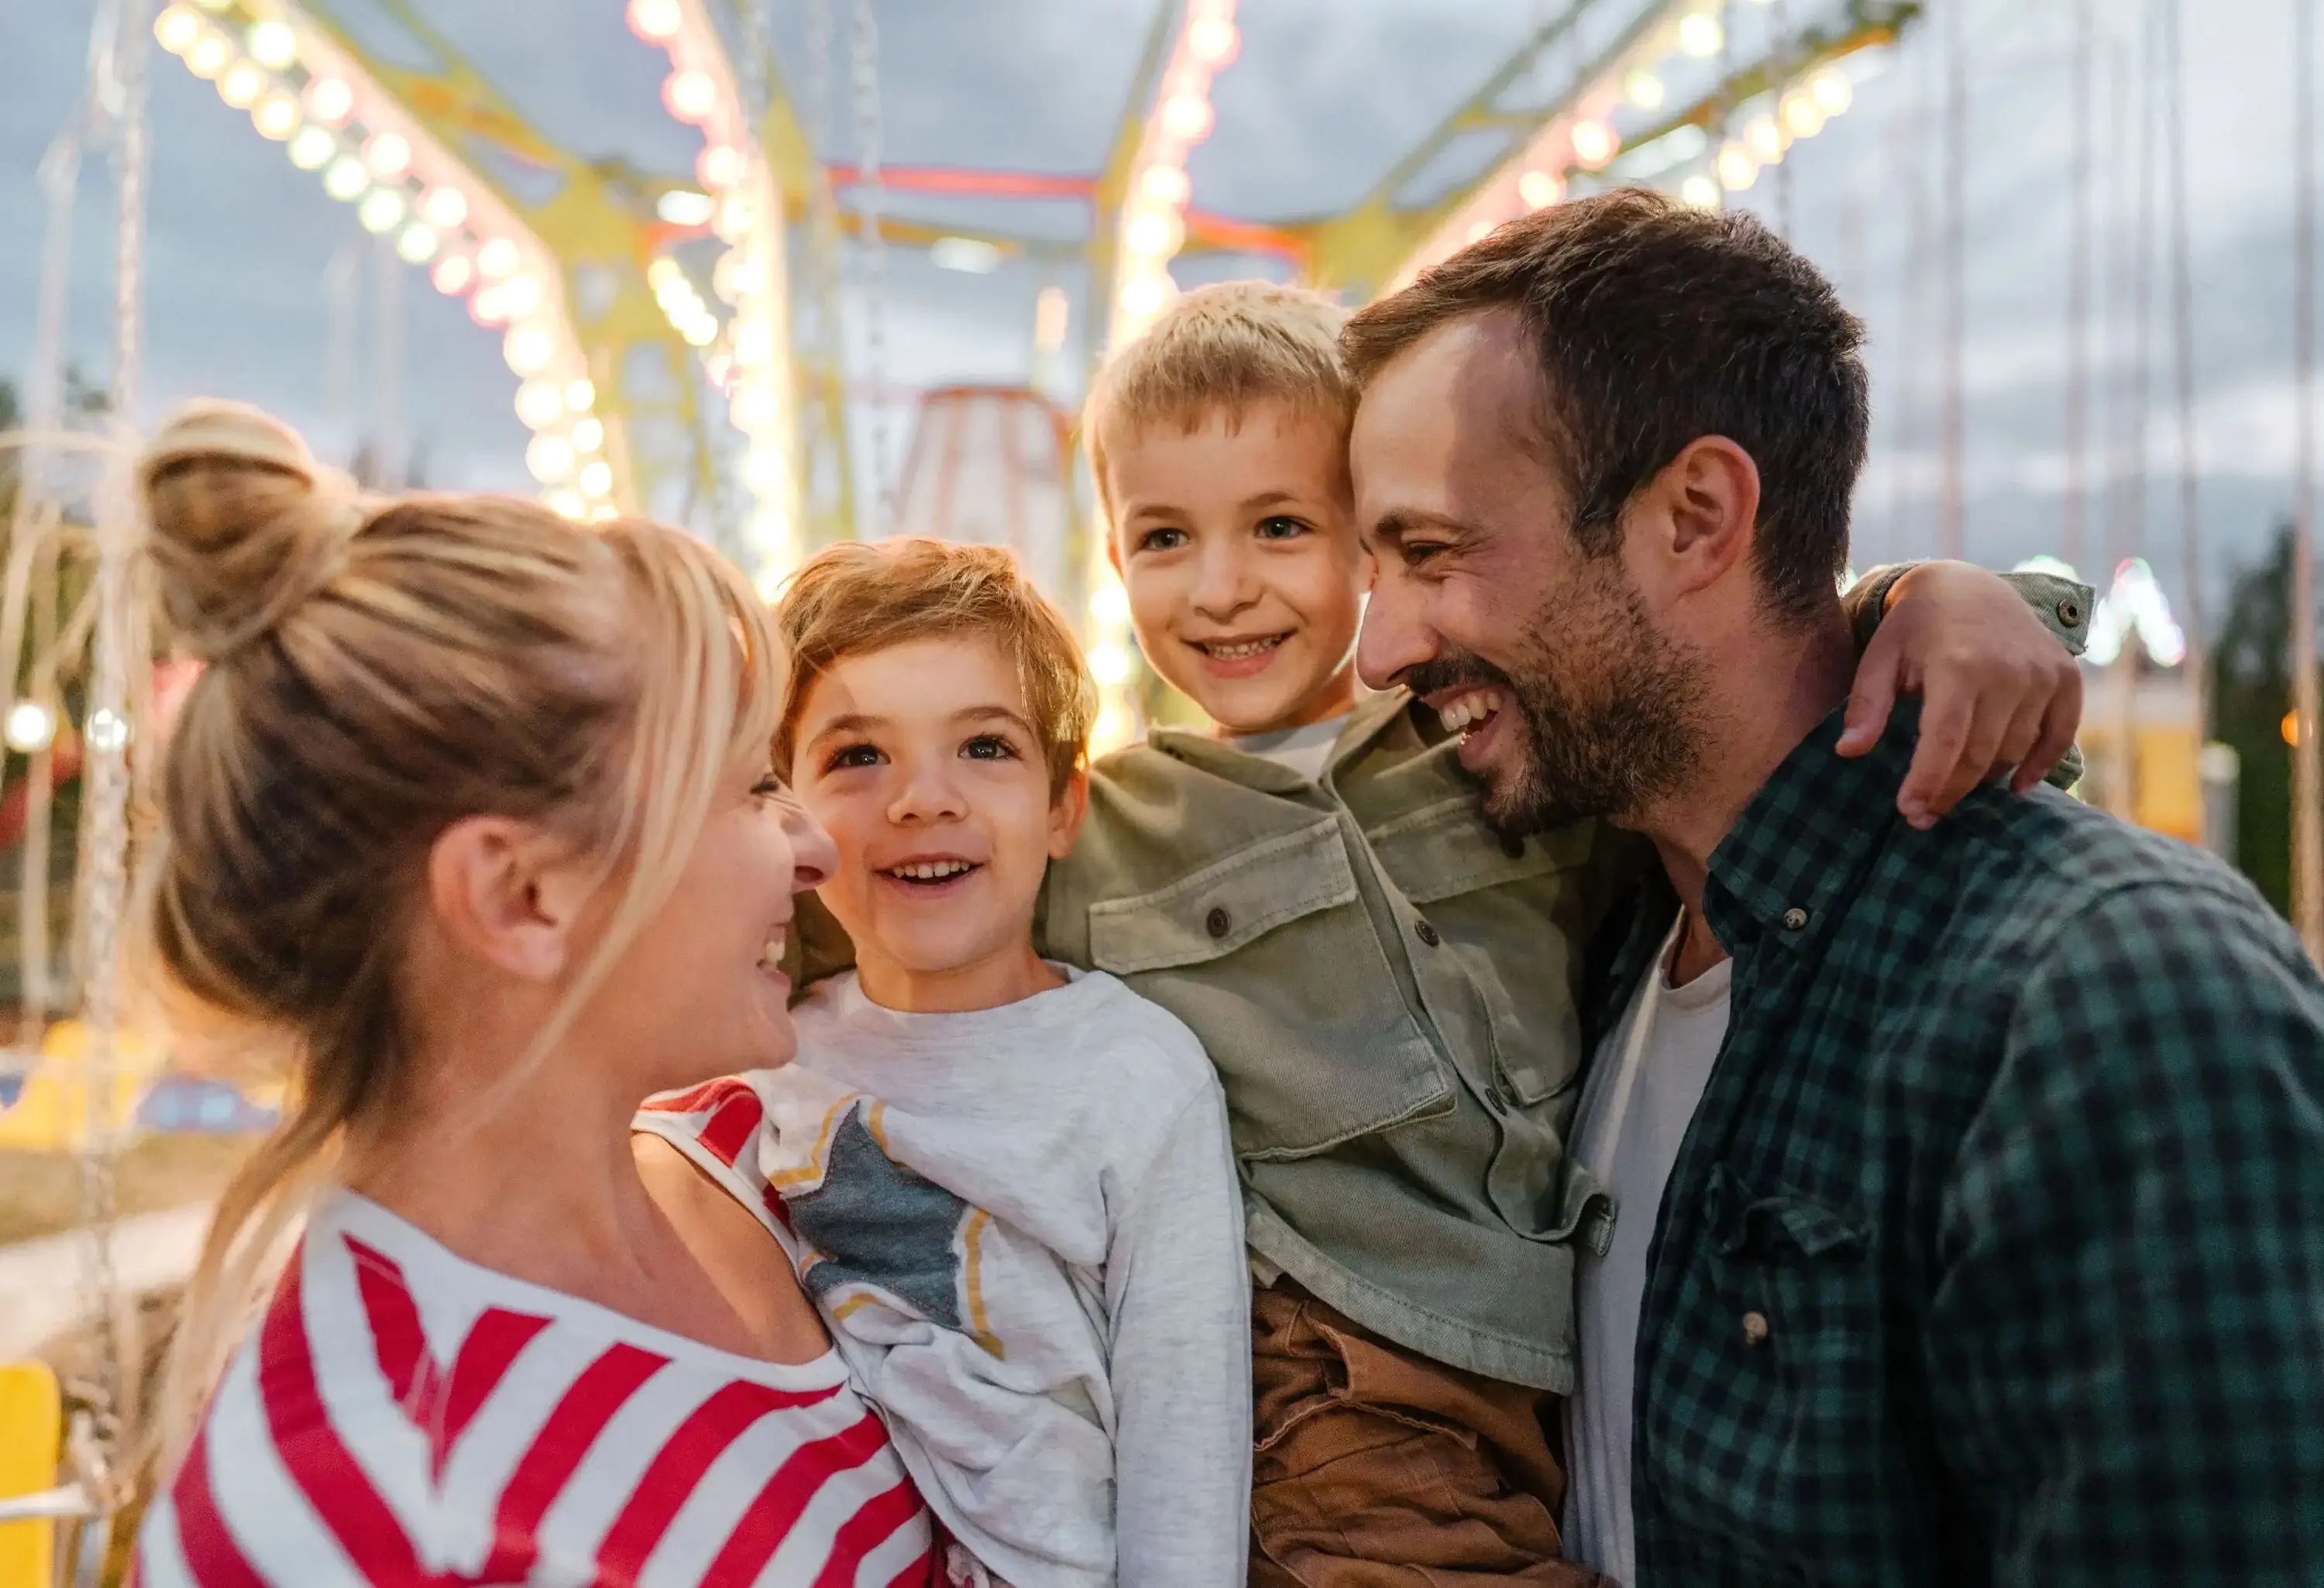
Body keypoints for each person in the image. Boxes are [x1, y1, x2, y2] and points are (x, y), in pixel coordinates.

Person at [798, 281, 2089, 1585]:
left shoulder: (1503, 747)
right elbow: (872, 902)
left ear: (1376, 540)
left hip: (1534, 1371)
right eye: (1165, 538)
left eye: (1283, 525)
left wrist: (1929, 597)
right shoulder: (1107, 821)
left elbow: (1726, 697)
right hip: (1331, 1378)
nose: (1223, 586)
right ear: (1115, 558)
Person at [1346, 187, 2324, 1588]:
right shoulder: (1594, 916)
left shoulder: (2113, 995)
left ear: (1696, 517)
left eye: (1433, 553)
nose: (1379, 649)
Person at [132, 402, 937, 1586]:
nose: (813, 845)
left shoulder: (764, 1162)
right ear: (520, 896)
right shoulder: (342, 1514)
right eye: (749, 787)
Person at [650, 538, 1248, 1588]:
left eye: (984, 747)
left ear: (1064, 807)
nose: (922, 799)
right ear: (787, 809)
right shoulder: (761, 1060)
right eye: (858, 755)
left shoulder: (1138, 1076)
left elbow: (1184, 1438)